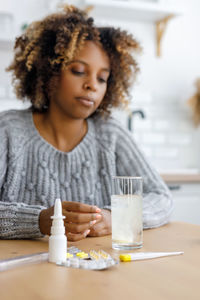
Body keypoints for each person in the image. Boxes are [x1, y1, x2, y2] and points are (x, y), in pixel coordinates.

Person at [0, 5, 173, 241]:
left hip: (97, 271)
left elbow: (161, 197)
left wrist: (117, 217)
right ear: (50, 71)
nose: (92, 85)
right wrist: (38, 220)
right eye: (79, 71)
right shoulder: (8, 130)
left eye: (102, 78)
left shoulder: (110, 134)